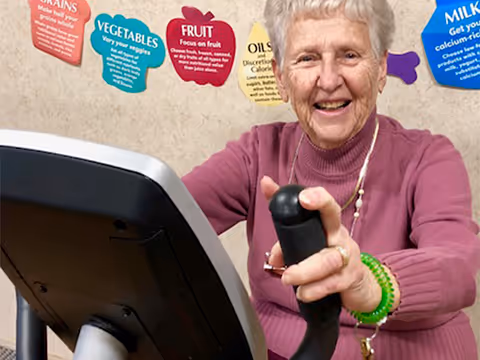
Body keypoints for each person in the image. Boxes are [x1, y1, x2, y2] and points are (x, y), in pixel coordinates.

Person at [182, 0, 480, 358]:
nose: (328, 79)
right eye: (307, 58)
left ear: (382, 68)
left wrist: (370, 284)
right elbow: (156, 218)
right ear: (280, 77)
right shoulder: (257, 152)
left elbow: (457, 268)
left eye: (349, 55)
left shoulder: (429, 157)